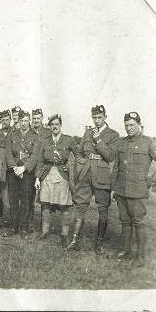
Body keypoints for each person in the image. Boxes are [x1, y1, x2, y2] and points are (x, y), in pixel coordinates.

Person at [110, 112, 156, 267]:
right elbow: (116, 167)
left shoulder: (149, 142)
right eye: (126, 125)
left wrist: (151, 181)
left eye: (132, 124)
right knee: (125, 222)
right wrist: (114, 188)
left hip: (138, 191)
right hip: (121, 191)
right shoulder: (121, 142)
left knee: (139, 222)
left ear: (139, 124)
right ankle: (125, 251)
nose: (129, 128)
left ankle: (141, 257)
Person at [67, 105, 119, 254]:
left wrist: (98, 140)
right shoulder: (87, 132)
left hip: (102, 176)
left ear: (105, 117)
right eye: (94, 118)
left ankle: (99, 244)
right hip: (85, 174)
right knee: (80, 206)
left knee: (103, 209)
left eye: (99, 117)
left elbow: (110, 156)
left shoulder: (113, 135)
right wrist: (79, 165)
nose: (96, 121)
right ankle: (74, 240)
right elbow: (79, 152)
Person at [34, 114, 76, 247]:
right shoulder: (44, 141)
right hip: (47, 174)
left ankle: (64, 235)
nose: (54, 127)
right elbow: (40, 161)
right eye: (52, 125)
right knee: (45, 204)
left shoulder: (68, 140)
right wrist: (37, 178)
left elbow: (79, 155)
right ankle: (45, 231)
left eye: (57, 124)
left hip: (62, 175)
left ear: (61, 125)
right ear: (49, 126)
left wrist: (70, 167)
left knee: (64, 206)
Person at [4, 110, 40, 237]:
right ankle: (14, 226)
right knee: (12, 200)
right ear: (17, 121)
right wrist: (14, 167)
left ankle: (24, 227)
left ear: (29, 121)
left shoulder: (35, 136)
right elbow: (8, 153)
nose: (24, 123)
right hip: (13, 172)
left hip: (27, 173)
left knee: (26, 200)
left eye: (26, 120)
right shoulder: (11, 135)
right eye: (21, 121)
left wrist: (23, 168)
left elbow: (35, 156)